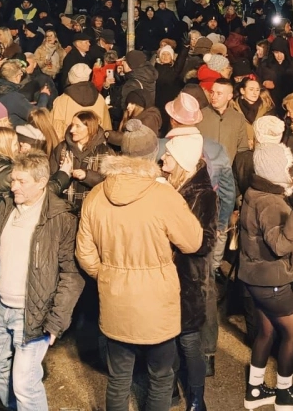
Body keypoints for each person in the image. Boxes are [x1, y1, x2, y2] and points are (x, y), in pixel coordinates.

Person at [75, 129, 205, 411]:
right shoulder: (163, 195)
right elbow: (193, 241)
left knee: (118, 378)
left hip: (115, 300)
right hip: (158, 303)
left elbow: (84, 254)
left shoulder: (96, 195)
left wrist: (108, 274)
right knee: (160, 376)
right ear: (152, 156)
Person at [0, 152, 85, 411]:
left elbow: (71, 276)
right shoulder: (7, 206)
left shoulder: (61, 218)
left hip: (33, 313)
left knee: (24, 382)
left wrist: (56, 322)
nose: (13, 187)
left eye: (21, 181)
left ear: (42, 182)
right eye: (12, 180)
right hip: (1, 307)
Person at [240, 140, 293, 411]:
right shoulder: (271, 202)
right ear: (275, 169)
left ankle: (255, 389)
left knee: (266, 331)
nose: (290, 170)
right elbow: (282, 245)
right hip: (271, 280)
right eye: (287, 166)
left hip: (253, 275)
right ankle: (285, 393)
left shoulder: (254, 191)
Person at [159, 129, 218, 411]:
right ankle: (169, 392)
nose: (162, 160)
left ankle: (197, 400)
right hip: (165, 277)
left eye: (168, 156)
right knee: (165, 341)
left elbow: (206, 243)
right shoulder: (168, 187)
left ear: (181, 161)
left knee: (189, 342)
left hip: (188, 280)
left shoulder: (203, 195)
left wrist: (174, 239)